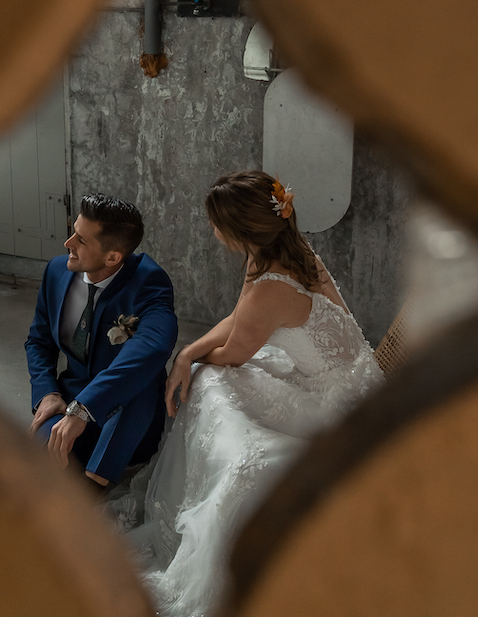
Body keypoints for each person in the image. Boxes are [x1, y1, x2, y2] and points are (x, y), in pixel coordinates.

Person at [108, 171, 384, 616]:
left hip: (337, 405)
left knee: (211, 382)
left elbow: (234, 352)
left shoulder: (272, 288)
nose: (211, 230)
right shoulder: (285, 252)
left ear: (238, 230)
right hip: (350, 379)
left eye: (215, 223)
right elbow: (240, 318)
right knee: (206, 373)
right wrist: (188, 353)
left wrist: (191, 362)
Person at [26, 193, 177, 488]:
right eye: (73, 232)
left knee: (144, 375)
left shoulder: (149, 282)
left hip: (128, 412)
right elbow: (39, 341)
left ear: (112, 257)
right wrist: (47, 393)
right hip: (68, 398)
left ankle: (96, 484)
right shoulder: (56, 271)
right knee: (35, 471)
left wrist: (85, 408)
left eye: (81, 240)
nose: (68, 243)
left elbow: (153, 346)